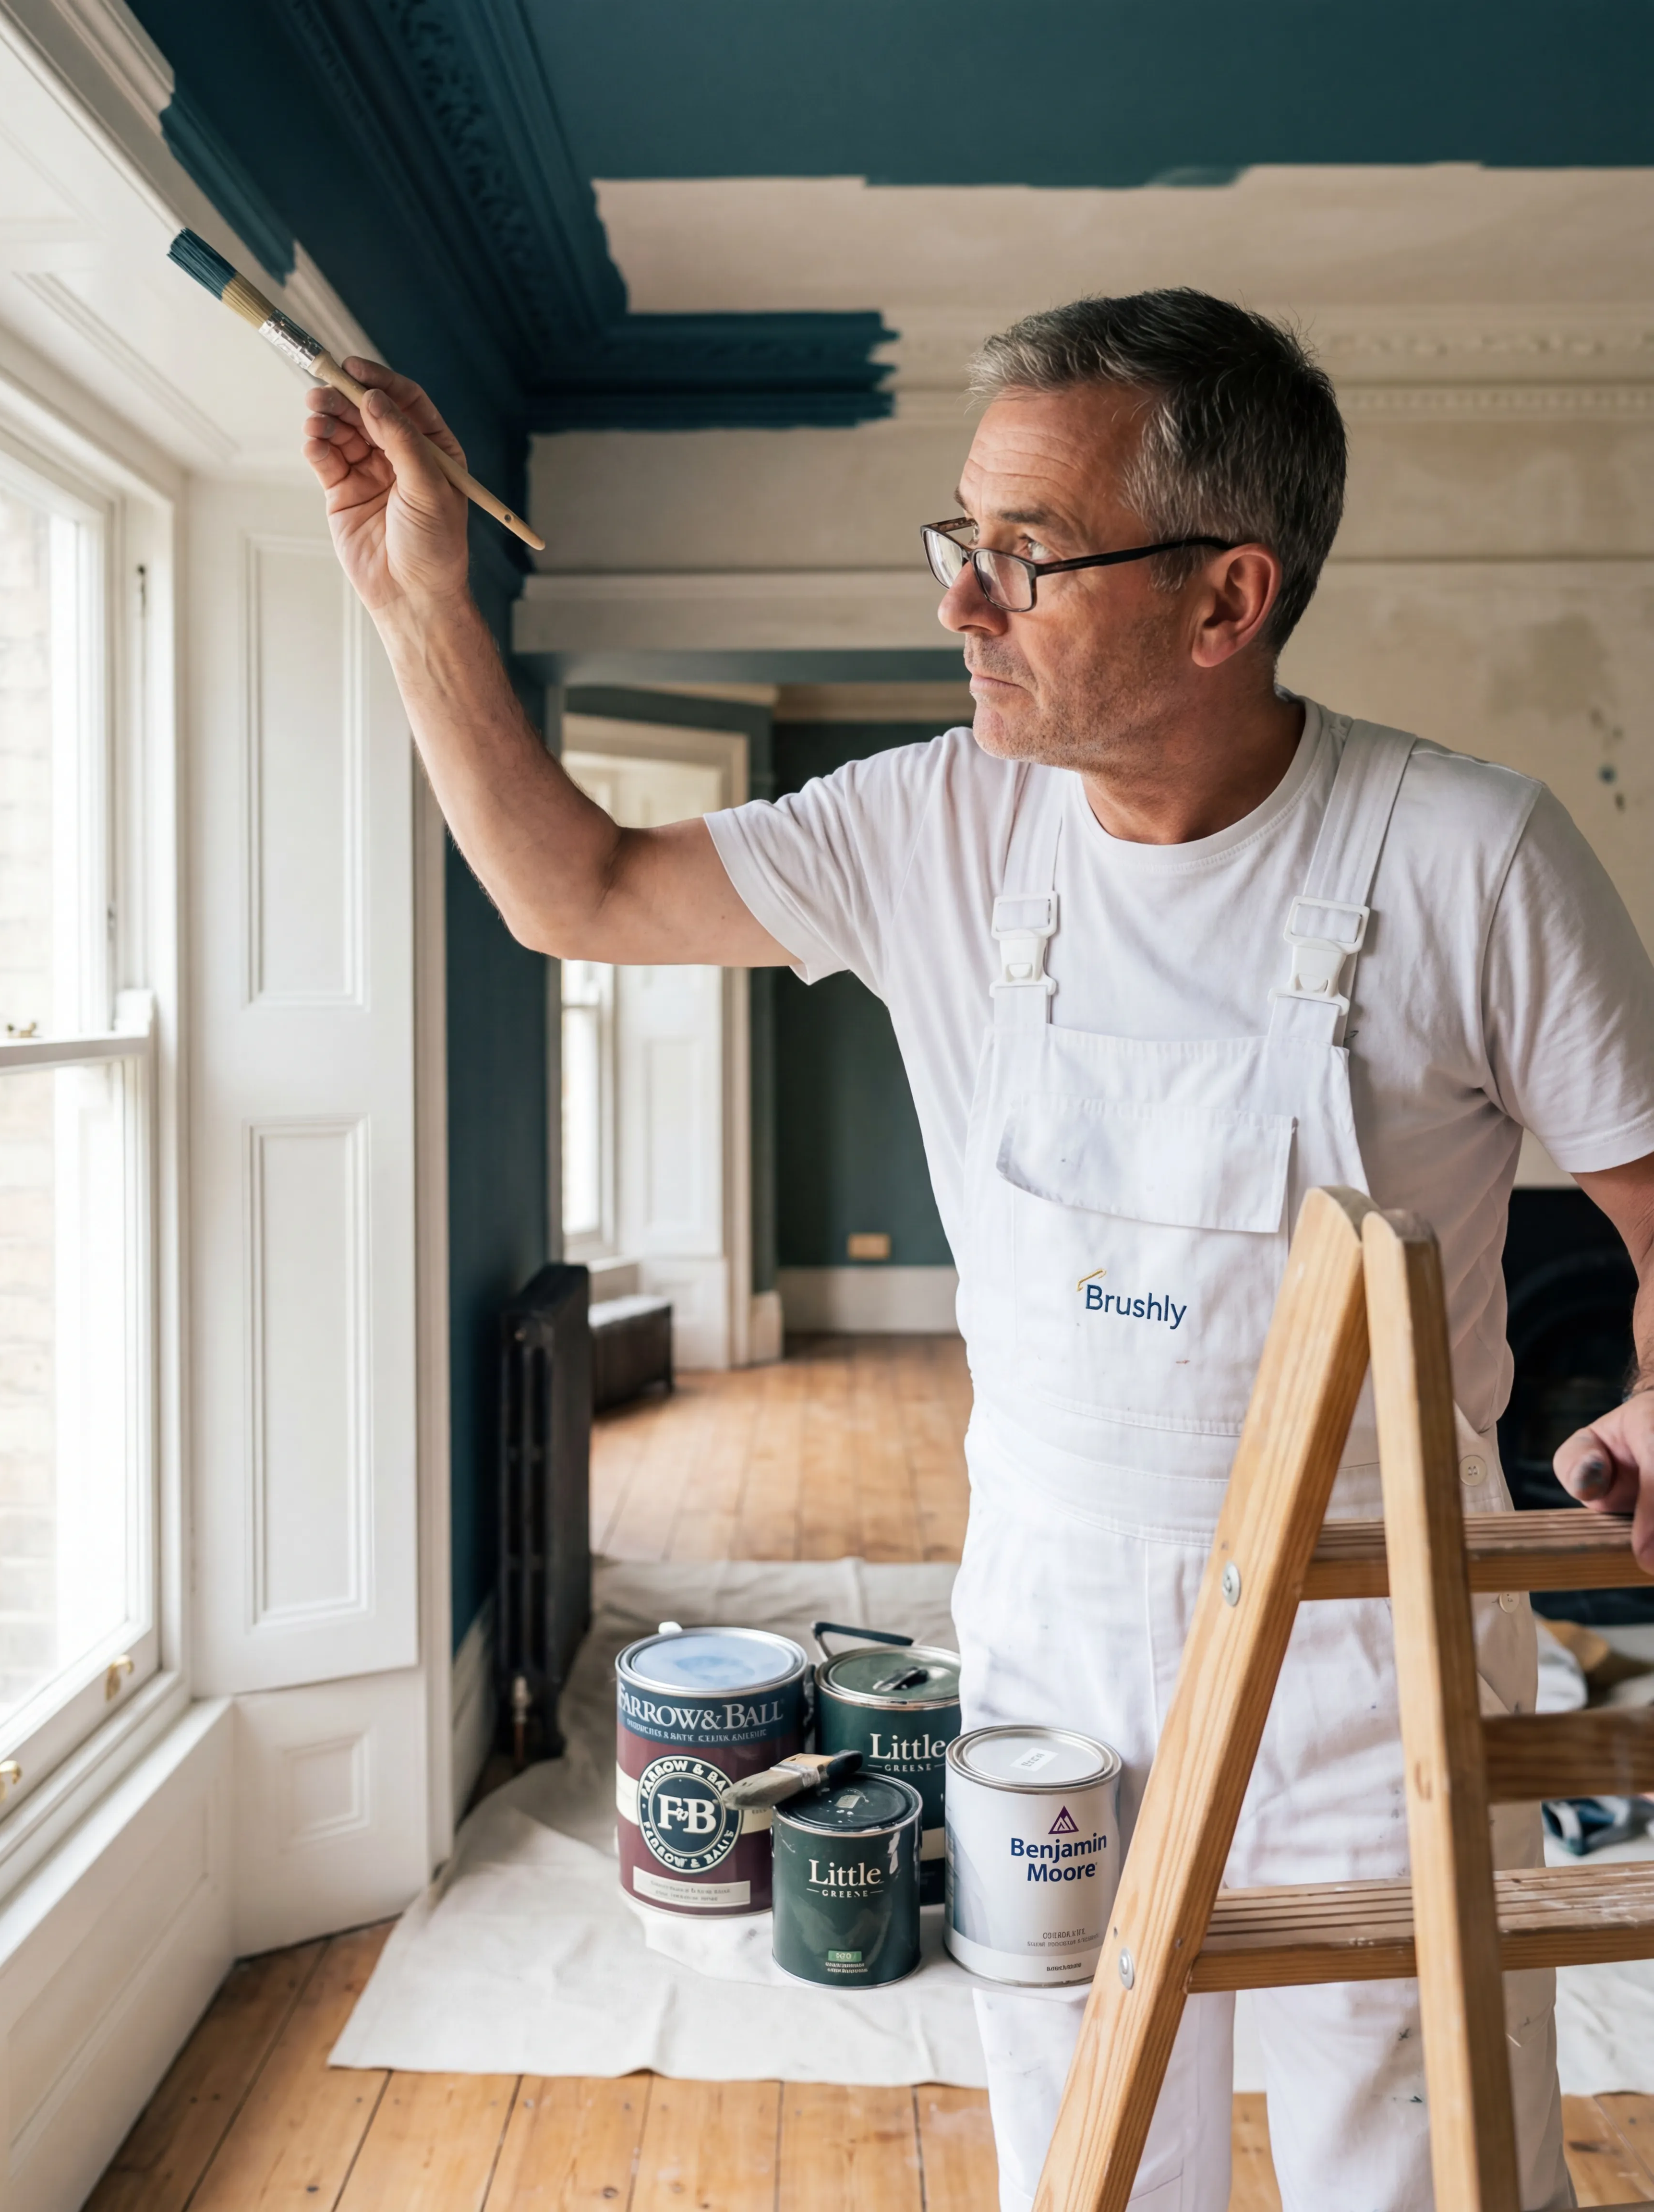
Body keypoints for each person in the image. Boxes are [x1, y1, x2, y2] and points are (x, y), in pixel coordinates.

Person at [303, 288, 1654, 2212]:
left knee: (1424, 2153)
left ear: (1225, 597)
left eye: (1023, 559)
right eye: (962, 542)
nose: (960, 603)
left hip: (1379, 1660)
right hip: (1055, 1642)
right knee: (1093, 2145)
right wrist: (412, 594)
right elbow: (575, 888)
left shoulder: (1470, 857)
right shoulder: (935, 825)